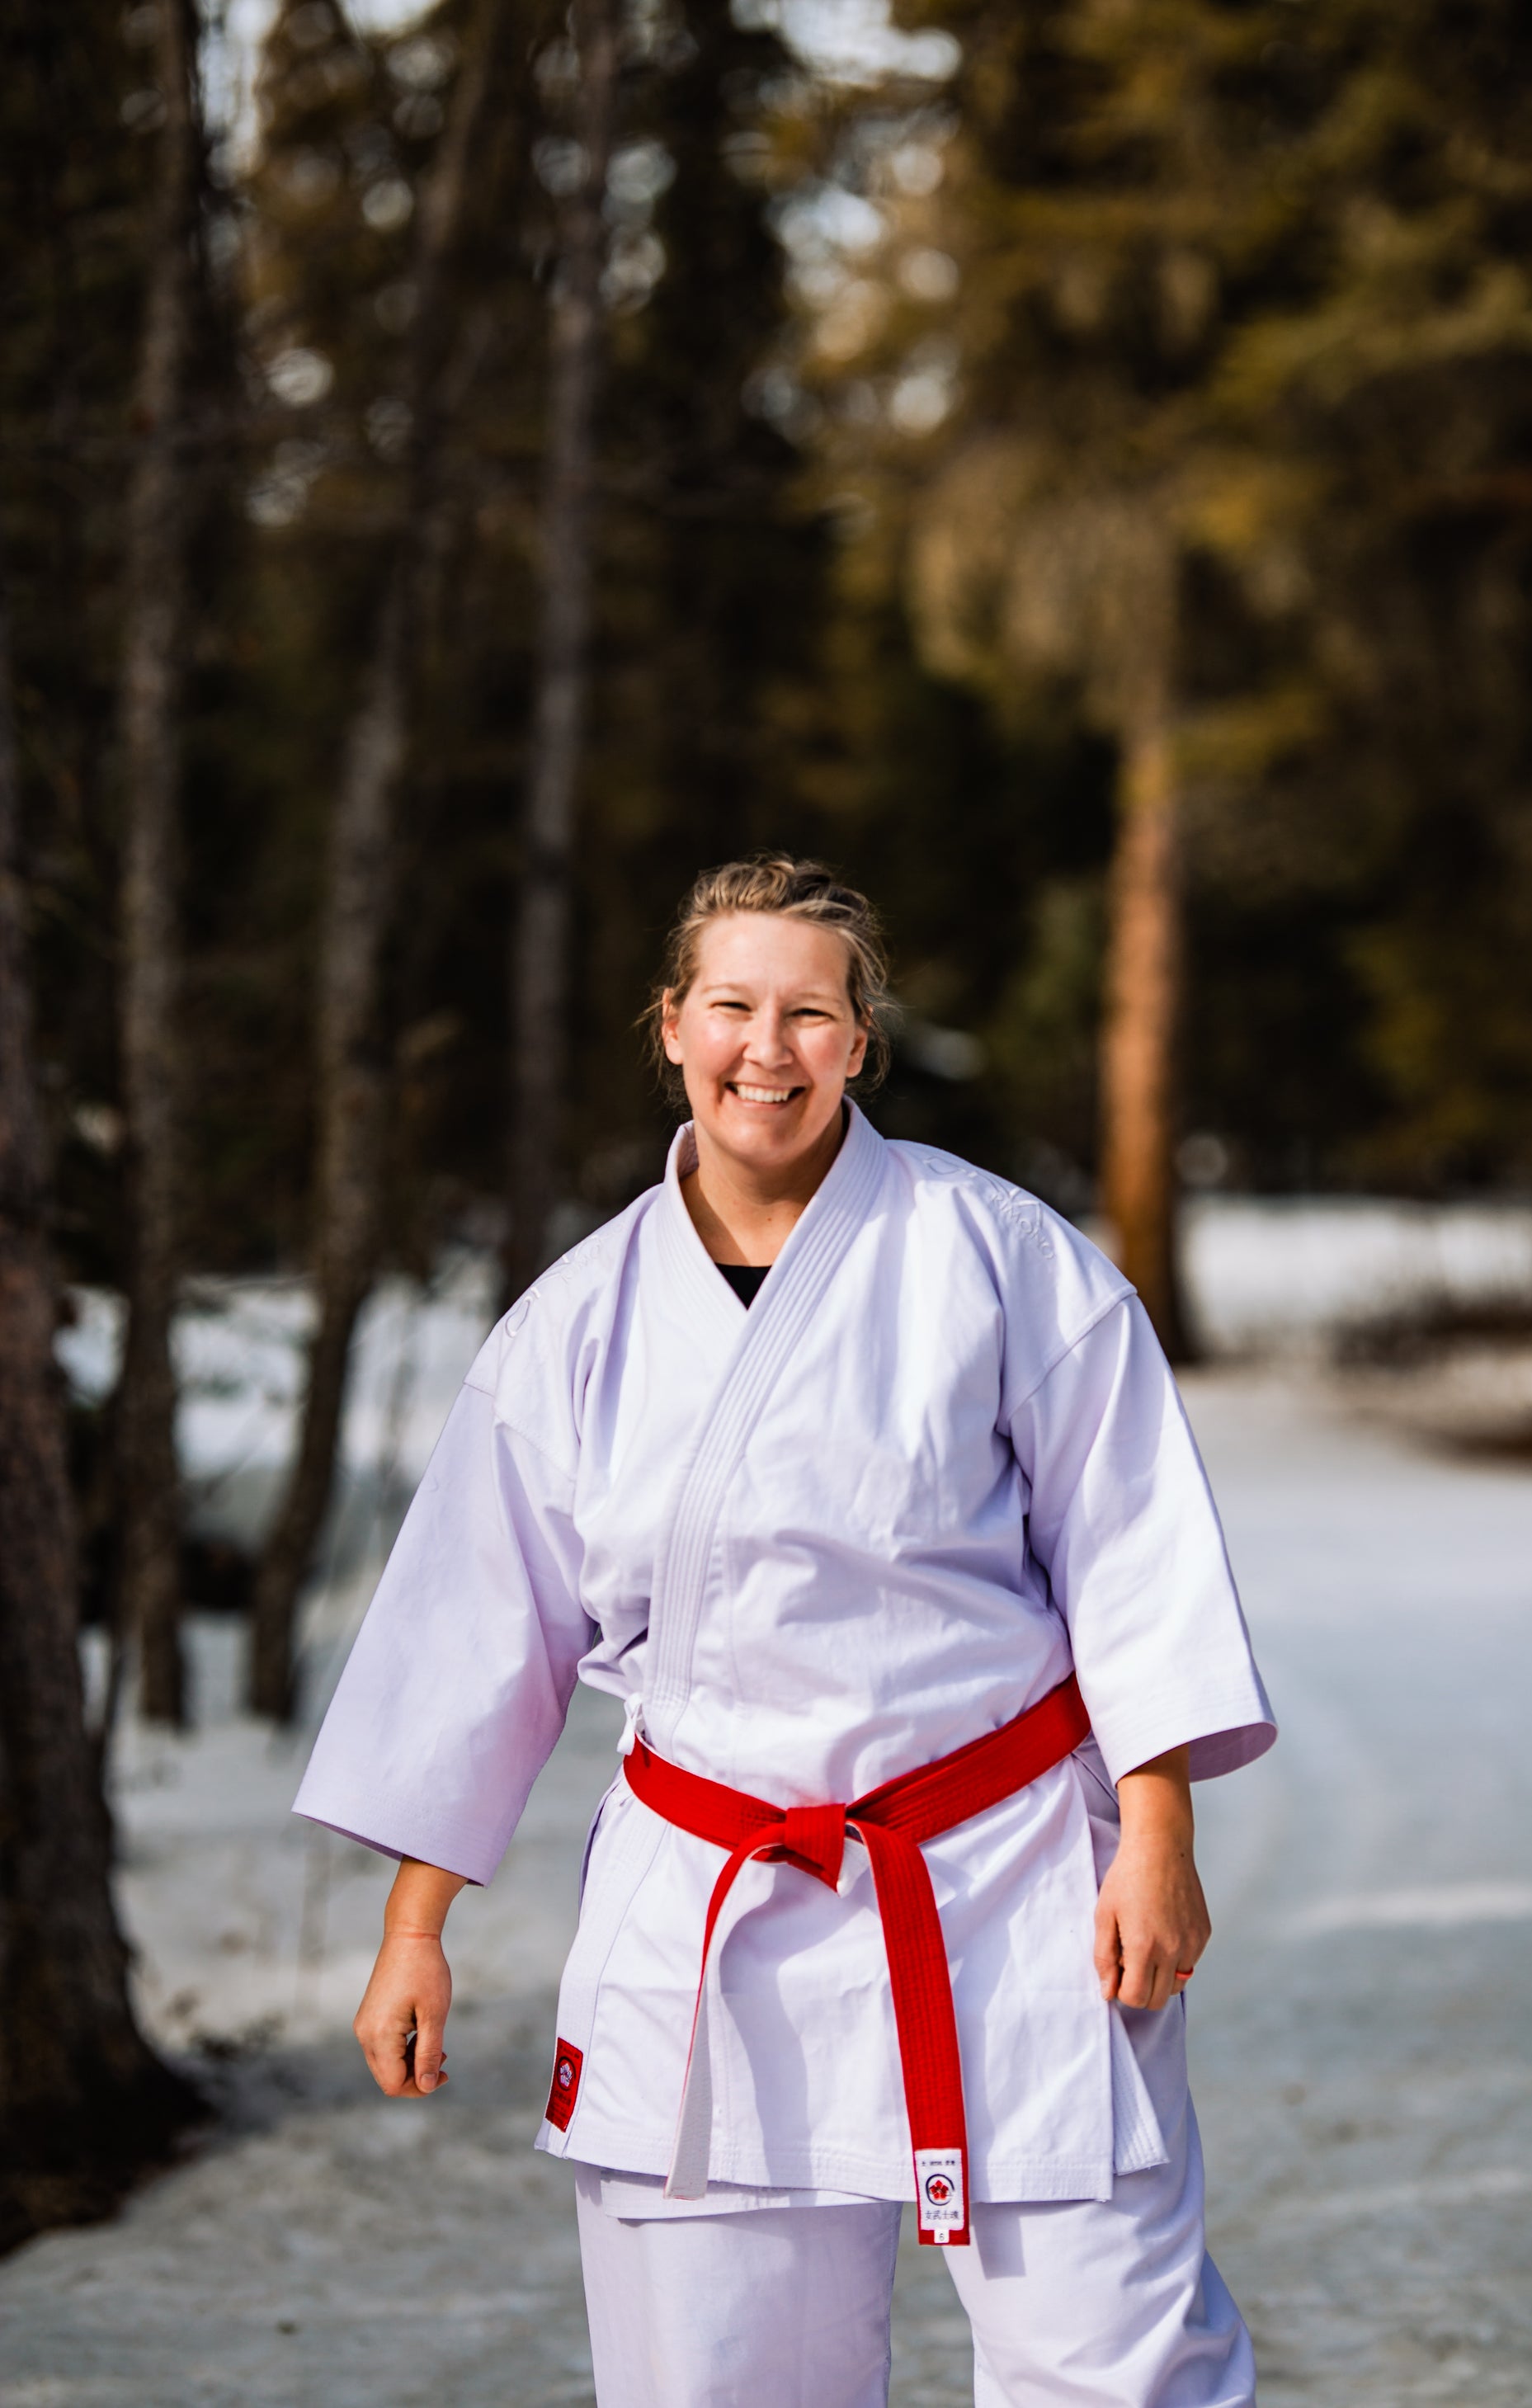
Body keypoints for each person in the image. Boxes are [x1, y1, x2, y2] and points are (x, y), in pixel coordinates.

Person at [294, 855, 1275, 2408]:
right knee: (718, 2378)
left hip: (1004, 1880)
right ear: (672, 1024)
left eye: (809, 1013)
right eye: (734, 1007)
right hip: (711, 1904)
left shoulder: (999, 1257)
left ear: (859, 1040)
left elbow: (1132, 1549)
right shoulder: (577, 1318)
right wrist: (415, 1930)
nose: (770, 1047)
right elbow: (483, 1635)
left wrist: (1153, 1830)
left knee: (1119, 2361)